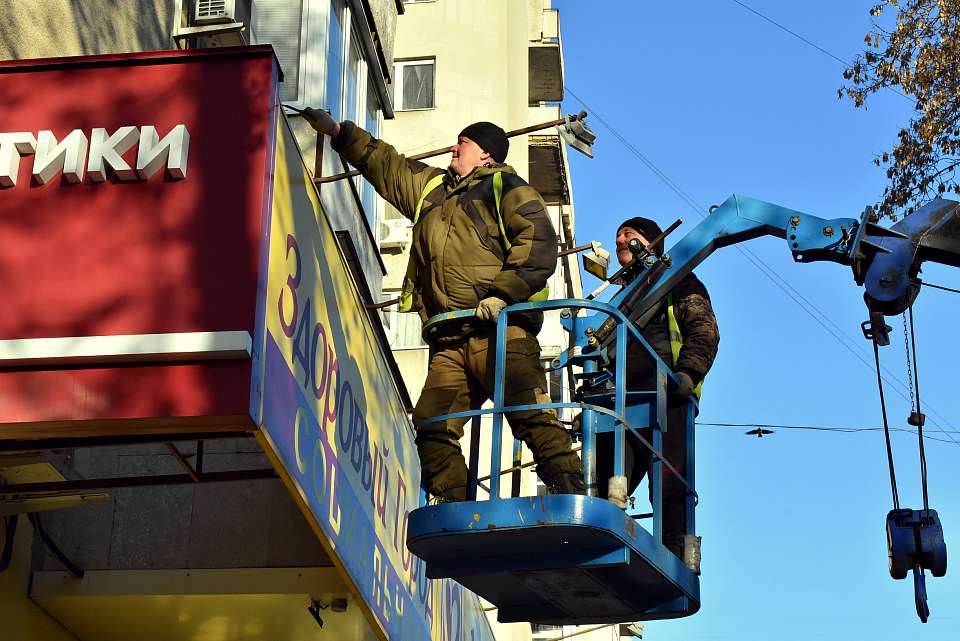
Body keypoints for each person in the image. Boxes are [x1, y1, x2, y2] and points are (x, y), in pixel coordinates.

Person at [302, 108, 584, 502]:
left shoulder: (506, 187)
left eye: (462, 143)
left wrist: (501, 295)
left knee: (529, 413)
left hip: (501, 332)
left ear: (485, 153)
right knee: (433, 425)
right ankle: (454, 505)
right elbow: (388, 165)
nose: (454, 148)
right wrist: (337, 131)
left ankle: (570, 491)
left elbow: (537, 243)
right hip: (450, 340)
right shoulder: (433, 190)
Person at [595, 216, 720, 558]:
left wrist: (688, 374)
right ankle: (604, 531)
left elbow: (703, 329)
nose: (620, 240)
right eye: (617, 235)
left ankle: (673, 546)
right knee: (608, 475)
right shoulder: (620, 298)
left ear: (650, 242)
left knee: (669, 475)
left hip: (667, 392)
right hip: (621, 394)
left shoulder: (678, 281)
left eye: (628, 234)